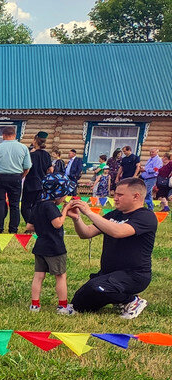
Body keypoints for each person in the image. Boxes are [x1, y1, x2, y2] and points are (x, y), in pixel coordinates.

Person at [66, 177, 157, 319]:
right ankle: (115, 296)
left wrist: (89, 213)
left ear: (136, 196)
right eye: (115, 194)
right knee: (79, 303)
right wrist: (77, 219)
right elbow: (87, 233)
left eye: (120, 195)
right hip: (108, 273)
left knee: (95, 287)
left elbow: (118, 231)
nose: (115, 198)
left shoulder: (146, 217)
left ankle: (132, 300)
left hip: (134, 275)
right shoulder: (115, 214)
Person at [29, 175, 72, 314]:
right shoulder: (50, 206)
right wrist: (65, 210)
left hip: (40, 245)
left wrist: (43, 226)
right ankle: (63, 306)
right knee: (60, 276)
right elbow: (58, 223)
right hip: (54, 247)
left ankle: (35, 305)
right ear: (58, 193)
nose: (65, 197)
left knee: (38, 276)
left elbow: (30, 226)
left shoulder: (38, 204)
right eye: (64, 194)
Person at [0, 125, 31, 234]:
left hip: (0, 177)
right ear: (15, 135)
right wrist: (21, 177)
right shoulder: (23, 147)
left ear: (3, 135)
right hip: (16, 176)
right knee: (14, 205)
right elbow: (27, 166)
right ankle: (13, 229)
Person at [21, 132, 52, 232]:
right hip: (42, 183)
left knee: (25, 207)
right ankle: (37, 226)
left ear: (35, 141)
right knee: (36, 207)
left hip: (30, 183)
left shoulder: (31, 155)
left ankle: (31, 226)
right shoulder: (47, 155)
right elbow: (50, 170)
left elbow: (26, 168)